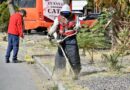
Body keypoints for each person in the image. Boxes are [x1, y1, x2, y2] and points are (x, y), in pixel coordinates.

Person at [48, 4, 81, 75]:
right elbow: (54, 27)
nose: (65, 15)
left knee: (73, 56)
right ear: (61, 12)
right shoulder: (58, 18)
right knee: (60, 56)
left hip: (71, 39)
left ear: (70, 12)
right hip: (62, 39)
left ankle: (76, 72)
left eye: (67, 13)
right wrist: (50, 34)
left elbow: (78, 26)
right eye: (64, 13)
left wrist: (77, 27)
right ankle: (60, 71)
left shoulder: (75, 17)